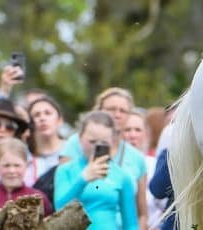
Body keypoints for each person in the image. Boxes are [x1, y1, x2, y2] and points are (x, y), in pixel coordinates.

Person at [61, 87, 148, 228]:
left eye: (123, 110)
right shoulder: (75, 144)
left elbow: (142, 212)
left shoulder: (136, 157)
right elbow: (61, 199)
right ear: (98, 110)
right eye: (111, 109)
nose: (117, 114)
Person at [54, 111, 138, 229]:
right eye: (92, 141)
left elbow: (131, 224)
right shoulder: (65, 170)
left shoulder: (122, 176)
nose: (97, 146)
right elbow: (59, 208)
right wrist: (83, 179)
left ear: (113, 141)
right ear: (80, 138)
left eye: (104, 142)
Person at [0, 138, 53, 216]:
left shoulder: (38, 198)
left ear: (26, 165)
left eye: (17, 165)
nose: (12, 171)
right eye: (6, 165)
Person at [27, 96, 65, 180]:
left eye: (48, 113)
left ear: (60, 120)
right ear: (30, 124)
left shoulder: (73, 150)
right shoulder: (24, 156)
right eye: (36, 115)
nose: (42, 118)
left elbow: (96, 187)